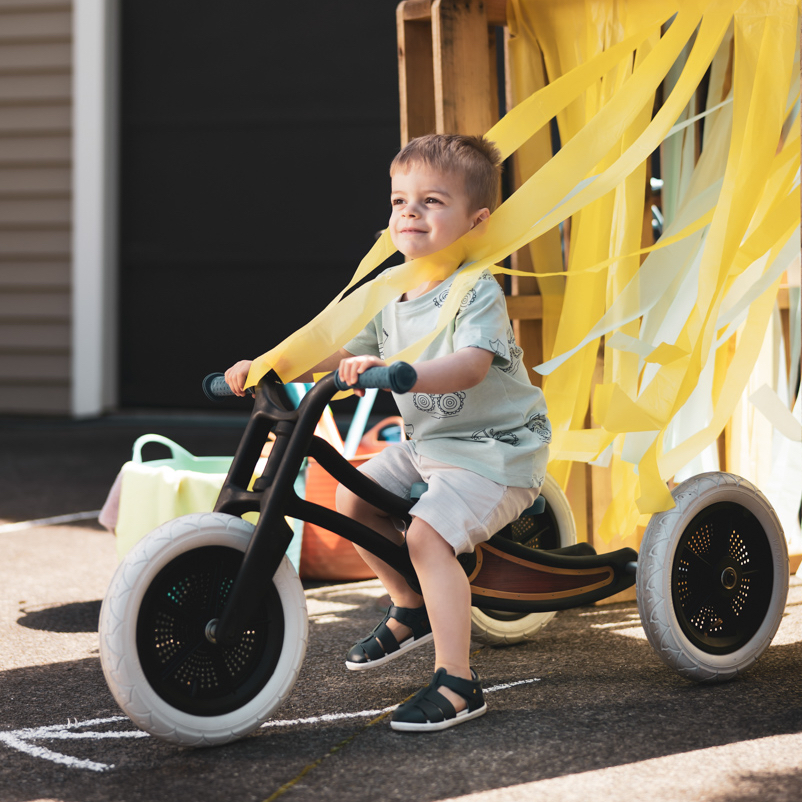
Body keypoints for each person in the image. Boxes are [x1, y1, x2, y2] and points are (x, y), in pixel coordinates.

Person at [224, 134, 551, 732]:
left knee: (425, 537)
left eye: (432, 201)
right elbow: (339, 354)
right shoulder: (392, 292)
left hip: (495, 451)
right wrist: (270, 365)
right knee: (353, 501)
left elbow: (472, 365)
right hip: (430, 447)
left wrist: (402, 371)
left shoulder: (475, 288)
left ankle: (458, 682)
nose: (410, 213)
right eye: (400, 201)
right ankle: (411, 604)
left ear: (477, 222)